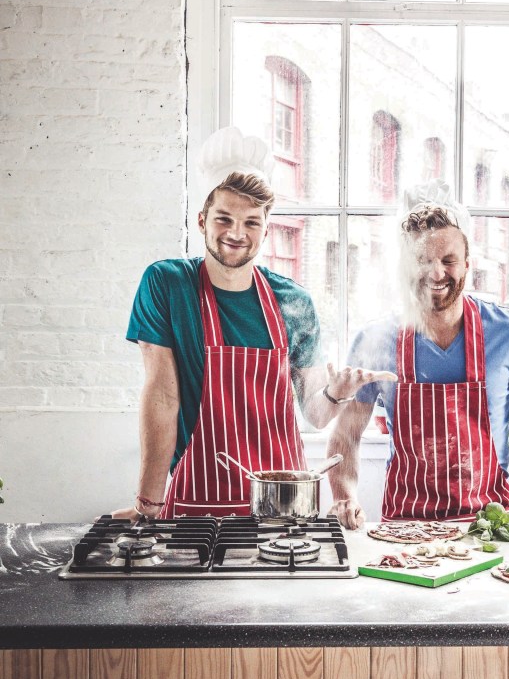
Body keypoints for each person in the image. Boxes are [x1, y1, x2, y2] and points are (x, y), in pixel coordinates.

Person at [113, 126, 393, 521]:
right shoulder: (167, 284)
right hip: (197, 499)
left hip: (285, 505)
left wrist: (335, 392)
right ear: (201, 219)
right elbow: (162, 397)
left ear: (266, 226)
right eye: (224, 218)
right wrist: (148, 505)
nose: (236, 233)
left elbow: (316, 414)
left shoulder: (292, 301)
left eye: (251, 222)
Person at [326, 191, 509, 529]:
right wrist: (344, 495)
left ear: (467, 263)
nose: (436, 273)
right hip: (404, 530)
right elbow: (346, 434)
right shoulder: (376, 340)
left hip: (490, 527)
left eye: (448, 260)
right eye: (423, 260)